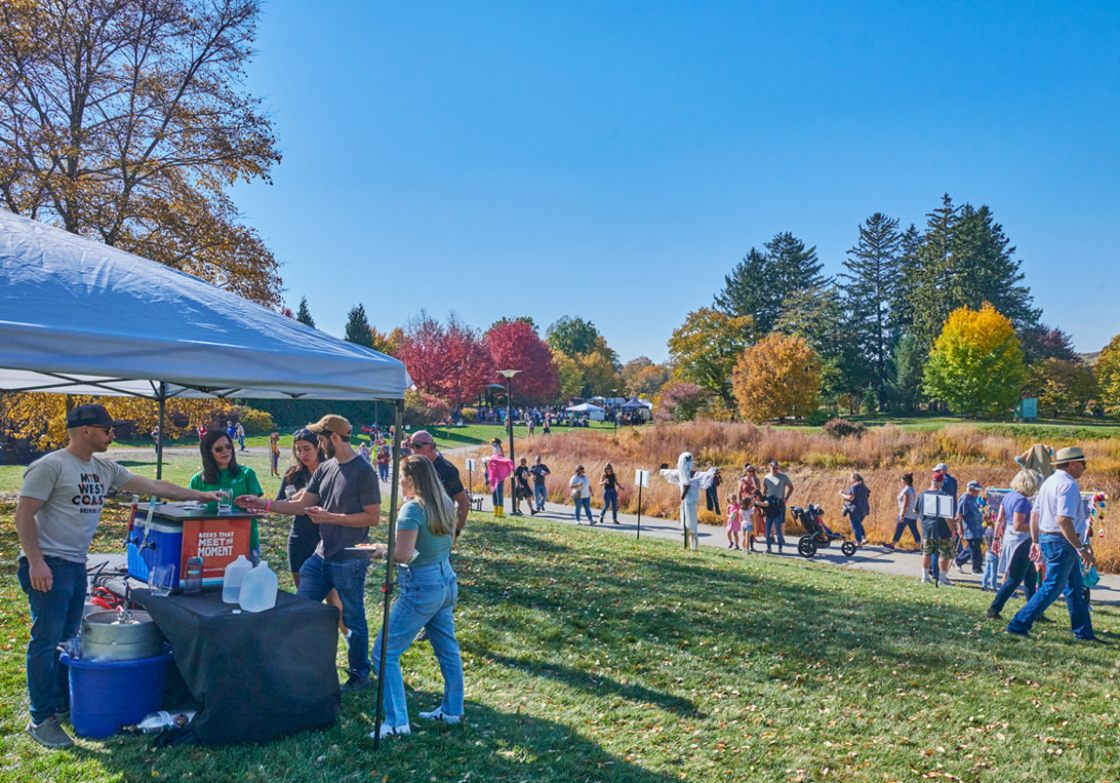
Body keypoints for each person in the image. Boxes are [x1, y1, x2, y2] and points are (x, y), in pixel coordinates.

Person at [15, 404, 222, 748]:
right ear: (85, 431)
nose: (113, 435)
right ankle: (41, 719)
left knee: (66, 638)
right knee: (46, 640)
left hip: (75, 564)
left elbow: (154, 486)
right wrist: (36, 563)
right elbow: (23, 516)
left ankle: (58, 703)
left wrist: (200, 495)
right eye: (107, 429)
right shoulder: (50, 466)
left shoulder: (104, 468)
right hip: (49, 563)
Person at [236, 414, 382, 694]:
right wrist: (264, 504)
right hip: (321, 556)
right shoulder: (326, 468)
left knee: (352, 617)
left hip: (350, 557)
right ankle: (297, 667)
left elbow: (372, 518)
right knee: (298, 610)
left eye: (321, 438)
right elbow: (301, 503)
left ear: (334, 439)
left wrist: (331, 517)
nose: (318, 443)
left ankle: (359, 673)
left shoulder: (363, 471)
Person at [366, 455, 464, 738]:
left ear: (410, 479)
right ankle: (453, 710)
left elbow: (403, 555)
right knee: (448, 649)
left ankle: (397, 723)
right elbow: (446, 542)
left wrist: (381, 551)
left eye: (401, 478)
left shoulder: (411, 509)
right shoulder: (443, 503)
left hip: (422, 587)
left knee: (383, 652)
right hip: (446, 580)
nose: (400, 483)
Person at [1006, 447, 1104, 642]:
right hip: (1063, 541)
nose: (1085, 467)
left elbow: (1035, 514)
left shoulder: (1049, 481)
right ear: (1073, 464)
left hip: (1049, 538)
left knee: (1074, 588)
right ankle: (1018, 624)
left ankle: (1084, 633)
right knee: (1051, 587)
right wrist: (1081, 549)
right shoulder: (1068, 485)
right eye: (1083, 463)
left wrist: (1035, 540)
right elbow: (1063, 520)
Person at [278, 429, 347, 634]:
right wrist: (294, 500)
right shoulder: (293, 475)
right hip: (299, 540)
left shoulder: (334, 472)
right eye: (298, 450)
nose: (303, 454)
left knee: (333, 598)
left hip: (326, 542)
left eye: (306, 449)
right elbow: (281, 504)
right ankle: (308, 645)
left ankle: (350, 643)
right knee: (304, 599)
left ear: (318, 446)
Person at [189, 429, 265, 562]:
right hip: (211, 544)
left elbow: (254, 504)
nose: (225, 451)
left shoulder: (247, 474)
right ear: (209, 453)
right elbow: (189, 508)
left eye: (228, 446)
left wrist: (252, 505)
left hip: (245, 541)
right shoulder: (199, 479)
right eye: (219, 449)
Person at [986, 469, 1045, 619]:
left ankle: (1035, 613)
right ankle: (993, 610)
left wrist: (996, 539)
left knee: (1031, 579)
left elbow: (999, 520)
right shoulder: (1022, 501)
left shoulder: (1008, 496)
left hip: (1011, 539)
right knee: (1013, 580)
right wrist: (1039, 526)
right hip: (1021, 542)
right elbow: (1019, 525)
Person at [408, 431, 470, 538]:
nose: (414, 451)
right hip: (417, 529)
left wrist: (455, 533)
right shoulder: (414, 467)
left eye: (418, 446)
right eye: (411, 446)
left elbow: (464, 504)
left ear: (431, 448)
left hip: (439, 531)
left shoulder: (447, 470)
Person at [659, 453, 718, 551]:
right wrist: (663, 471)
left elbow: (703, 475)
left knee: (692, 525)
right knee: (686, 523)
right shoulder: (680, 474)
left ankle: (693, 545)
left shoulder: (693, 474)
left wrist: (712, 474)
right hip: (685, 502)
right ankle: (687, 544)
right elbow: (670, 473)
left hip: (691, 502)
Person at [918, 471, 954, 585]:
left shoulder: (923, 494)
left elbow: (915, 510)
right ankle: (942, 579)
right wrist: (953, 531)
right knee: (944, 553)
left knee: (926, 552)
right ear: (940, 483)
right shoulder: (944, 496)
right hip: (942, 529)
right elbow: (948, 517)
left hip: (927, 528)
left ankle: (925, 577)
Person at [954, 480, 986, 574]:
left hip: (978, 528)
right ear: (970, 489)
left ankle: (958, 561)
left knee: (973, 547)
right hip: (970, 528)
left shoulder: (975, 497)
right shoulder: (964, 499)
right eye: (975, 490)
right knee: (976, 549)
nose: (977, 492)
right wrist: (960, 528)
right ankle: (977, 569)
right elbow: (959, 514)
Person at [887, 473, 921, 551]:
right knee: (914, 530)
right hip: (912, 514)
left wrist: (902, 515)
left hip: (906, 513)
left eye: (901, 480)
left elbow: (905, 504)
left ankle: (892, 545)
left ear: (905, 481)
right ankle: (918, 547)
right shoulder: (912, 489)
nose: (900, 482)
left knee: (899, 529)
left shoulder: (906, 490)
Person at [763, 461, 794, 545]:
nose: (775, 470)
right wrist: (764, 500)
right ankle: (772, 537)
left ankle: (781, 537)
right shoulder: (766, 477)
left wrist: (786, 498)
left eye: (776, 468)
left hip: (780, 502)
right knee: (771, 519)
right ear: (770, 468)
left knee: (781, 521)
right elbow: (765, 490)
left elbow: (791, 487)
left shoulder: (783, 477)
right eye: (773, 468)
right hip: (770, 503)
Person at [483, 438, 513, 518]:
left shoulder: (499, 456)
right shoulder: (493, 457)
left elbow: (508, 461)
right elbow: (490, 468)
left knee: (498, 494)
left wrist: (511, 470)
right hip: (493, 477)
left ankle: (499, 513)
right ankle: (496, 512)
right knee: (494, 494)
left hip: (499, 478)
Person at [839, 472, 871, 546]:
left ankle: (858, 542)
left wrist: (842, 494)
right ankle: (863, 538)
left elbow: (851, 498)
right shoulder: (864, 487)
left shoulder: (854, 487)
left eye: (850, 478)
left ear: (854, 479)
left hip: (855, 509)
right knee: (858, 524)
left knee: (855, 525)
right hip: (865, 508)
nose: (850, 479)